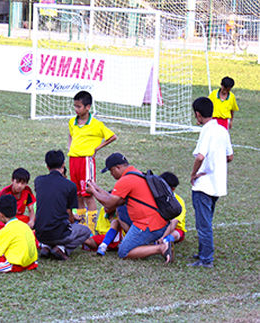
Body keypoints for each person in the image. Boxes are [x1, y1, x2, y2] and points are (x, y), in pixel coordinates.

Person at [85, 153, 174, 263]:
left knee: (124, 251)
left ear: (118, 167)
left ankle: (161, 248)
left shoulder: (125, 180)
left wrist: (93, 192)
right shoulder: (137, 174)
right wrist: (97, 188)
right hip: (159, 222)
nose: (111, 174)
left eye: (111, 171)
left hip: (147, 225)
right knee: (122, 215)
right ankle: (152, 243)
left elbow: (109, 204)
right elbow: (115, 200)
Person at [188, 97, 233, 269]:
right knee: (206, 220)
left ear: (198, 114)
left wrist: (193, 174)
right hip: (217, 184)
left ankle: (206, 259)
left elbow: (200, 156)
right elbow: (229, 156)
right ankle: (202, 252)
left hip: (204, 184)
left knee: (203, 224)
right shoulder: (222, 130)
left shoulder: (206, 131)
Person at [68, 91, 117, 235]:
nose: (76, 109)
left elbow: (112, 137)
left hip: (86, 161)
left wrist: (96, 148)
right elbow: (71, 134)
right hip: (73, 160)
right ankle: (82, 227)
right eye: (75, 106)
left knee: (88, 193)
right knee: (77, 195)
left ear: (88, 107)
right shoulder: (72, 121)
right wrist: (70, 147)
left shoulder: (96, 124)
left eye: (79, 106)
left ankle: (90, 229)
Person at [34, 150, 91, 261]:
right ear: (63, 164)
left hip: (40, 233)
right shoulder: (70, 185)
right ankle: (61, 248)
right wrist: (72, 222)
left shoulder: (38, 181)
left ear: (47, 166)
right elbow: (69, 213)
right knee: (85, 231)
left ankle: (46, 246)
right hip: (59, 233)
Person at [156, 172, 187, 245]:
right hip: (158, 228)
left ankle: (166, 242)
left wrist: (162, 237)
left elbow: (173, 223)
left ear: (172, 189)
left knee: (175, 234)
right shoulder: (155, 197)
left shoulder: (178, 202)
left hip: (175, 229)